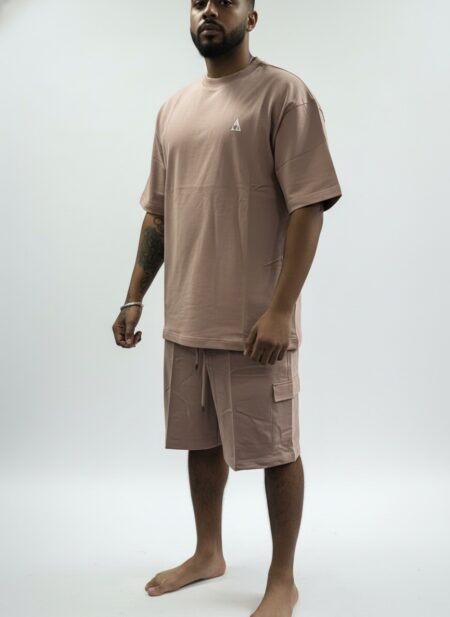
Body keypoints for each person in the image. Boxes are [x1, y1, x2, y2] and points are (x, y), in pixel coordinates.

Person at [112, 1, 342, 615]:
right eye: (198, 2)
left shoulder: (284, 95)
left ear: (252, 17)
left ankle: (283, 577)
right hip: (186, 318)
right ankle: (208, 552)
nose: (210, 10)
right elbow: (158, 213)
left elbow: (308, 207)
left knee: (277, 450)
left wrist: (281, 309)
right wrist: (134, 295)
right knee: (201, 442)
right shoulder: (173, 108)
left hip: (254, 324)